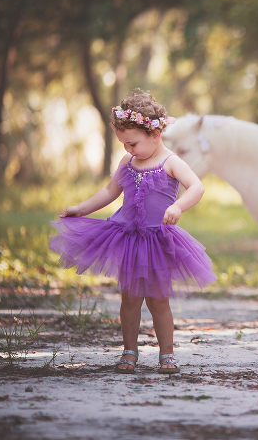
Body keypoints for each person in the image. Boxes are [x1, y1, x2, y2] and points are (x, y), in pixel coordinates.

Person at [49, 90, 216, 374]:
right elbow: (109, 191)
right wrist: (82, 208)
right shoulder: (127, 163)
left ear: (155, 133)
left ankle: (167, 354)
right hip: (128, 237)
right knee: (129, 299)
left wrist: (178, 207)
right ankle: (129, 352)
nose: (128, 149)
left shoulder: (171, 162)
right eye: (124, 144)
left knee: (158, 300)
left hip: (157, 239)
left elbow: (197, 187)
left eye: (133, 143)